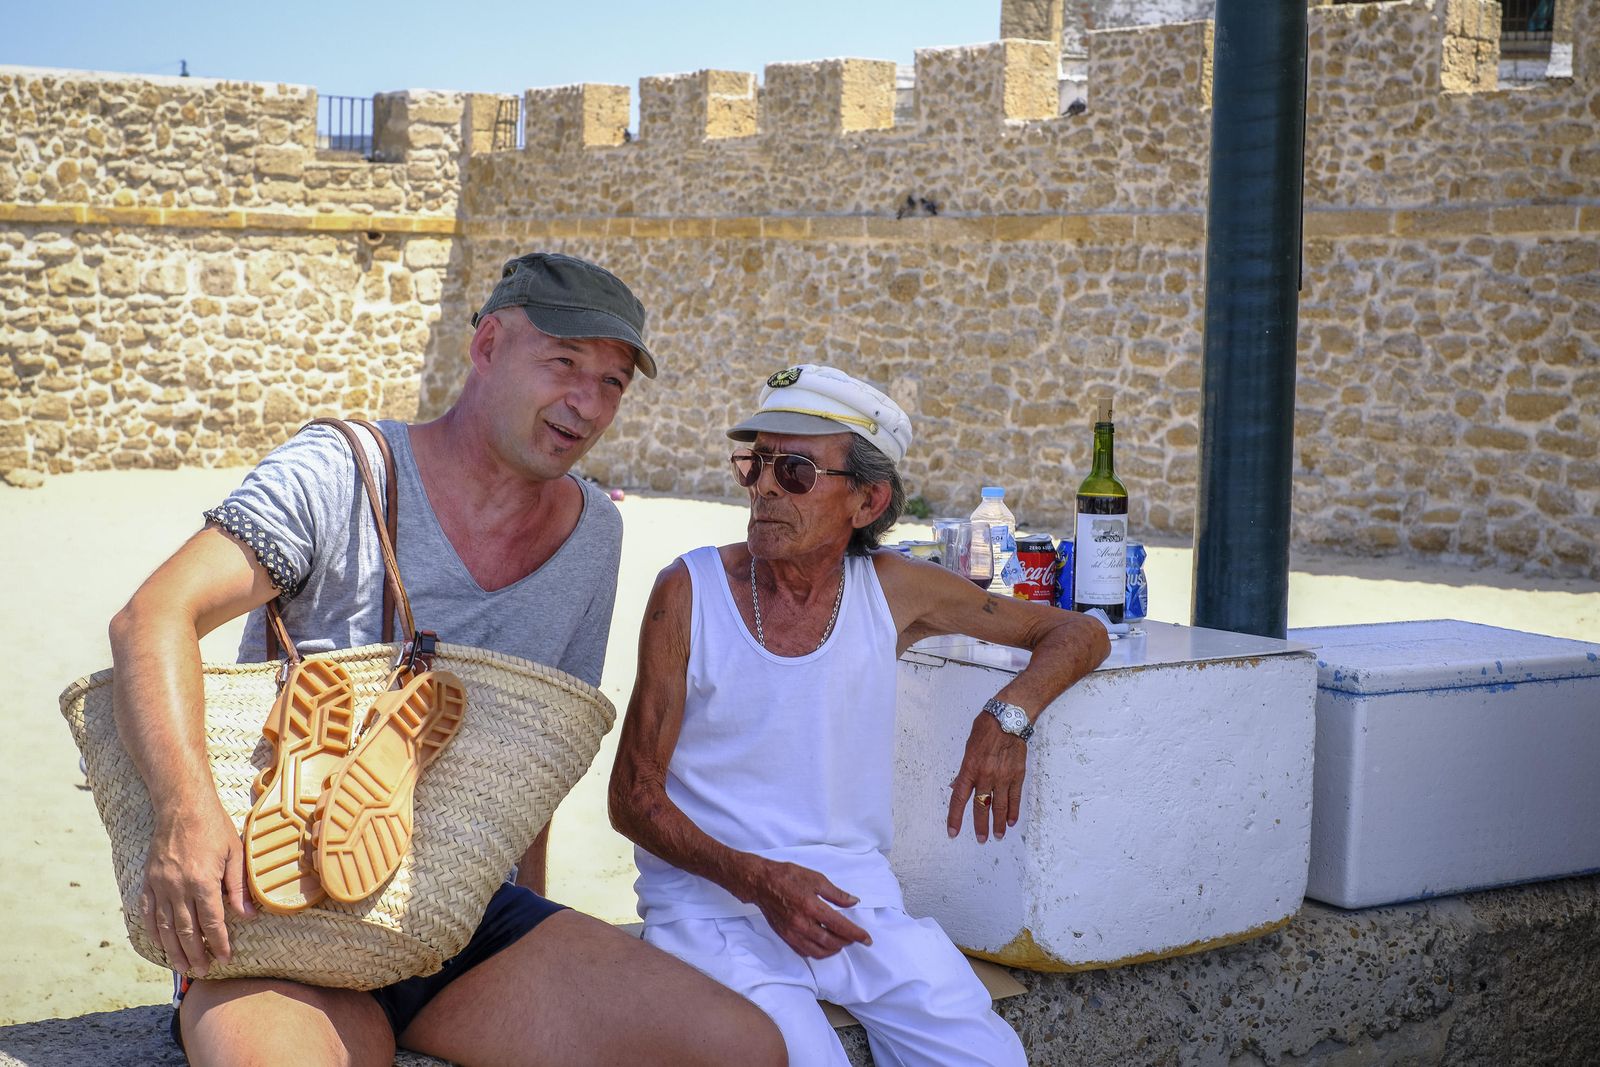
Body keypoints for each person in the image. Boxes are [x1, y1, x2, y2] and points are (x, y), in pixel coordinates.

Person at [108, 252, 786, 1067]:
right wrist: (188, 817)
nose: (588, 401)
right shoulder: (342, 471)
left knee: (741, 1047)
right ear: (488, 344)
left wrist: (533, 913)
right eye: (565, 362)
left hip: (460, 916)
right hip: (282, 912)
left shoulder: (592, 534)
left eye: (613, 382)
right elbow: (153, 615)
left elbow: (533, 756)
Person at [609, 364, 1112, 1066]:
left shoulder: (892, 589)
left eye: (795, 471)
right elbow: (632, 799)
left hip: (856, 905)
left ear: (869, 500)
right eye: (755, 464)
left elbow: (1080, 632)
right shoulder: (688, 590)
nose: (763, 490)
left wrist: (1008, 715)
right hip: (712, 911)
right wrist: (759, 880)